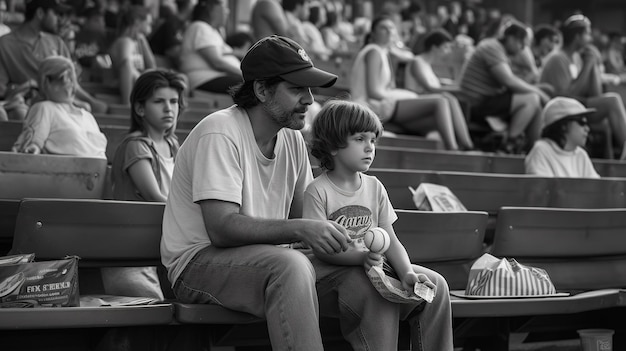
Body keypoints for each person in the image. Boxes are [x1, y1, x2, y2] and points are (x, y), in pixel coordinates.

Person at [160, 34, 425, 350]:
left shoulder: (292, 140)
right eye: (297, 88)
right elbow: (221, 228)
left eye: (310, 89)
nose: (310, 99)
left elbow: (304, 220)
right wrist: (302, 228)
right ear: (261, 90)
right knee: (292, 265)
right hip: (199, 264)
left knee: (368, 275)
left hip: (270, 259)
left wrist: (363, 249)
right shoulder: (220, 132)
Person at [304, 99, 453, 350]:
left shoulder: (374, 187)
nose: (369, 148)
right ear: (332, 146)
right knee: (372, 287)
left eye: (373, 140)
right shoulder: (317, 191)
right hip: (331, 272)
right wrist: (359, 259)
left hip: (373, 266)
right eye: (360, 139)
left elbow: (391, 240)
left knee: (436, 285)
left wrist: (406, 272)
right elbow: (321, 249)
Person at [104, 69, 187, 299]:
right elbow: (155, 197)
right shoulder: (136, 145)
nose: (169, 108)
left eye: (174, 101)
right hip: (134, 243)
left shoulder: (173, 143)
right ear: (140, 108)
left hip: (167, 236)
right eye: (159, 101)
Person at [350, 16, 471, 151]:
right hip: (370, 106)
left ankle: (466, 147)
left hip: (383, 104)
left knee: (442, 111)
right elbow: (373, 92)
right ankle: (454, 149)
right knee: (441, 102)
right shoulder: (373, 51)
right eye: (383, 28)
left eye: (391, 28)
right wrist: (404, 95)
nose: (389, 31)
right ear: (373, 33)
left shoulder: (382, 52)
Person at [0, 0, 108, 120]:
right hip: (27, 106)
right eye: (56, 14)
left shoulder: (56, 42)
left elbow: (71, 82)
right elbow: (2, 89)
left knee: (85, 108)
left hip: (61, 104)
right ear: (40, 13)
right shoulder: (4, 44)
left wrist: (91, 101)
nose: (59, 19)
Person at [540, 14, 626, 157]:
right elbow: (565, 98)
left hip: (578, 107)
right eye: (587, 34)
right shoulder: (557, 59)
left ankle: (611, 165)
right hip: (560, 111)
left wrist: (593, 66)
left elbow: (595, 94)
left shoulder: (577, 57)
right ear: (577, 36)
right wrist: (587, 66)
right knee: (613, 100)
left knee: (606, 118)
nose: (590, 38)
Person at [458, 21, 550, 152]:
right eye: (521, 44)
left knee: (536, 107)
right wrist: (539, 92)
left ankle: (535, 150)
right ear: (511, 39)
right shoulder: (492, 48)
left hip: (487, 100)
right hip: (476, 104)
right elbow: (509, 81)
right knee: (532, 99)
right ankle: (508, 144)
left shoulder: (499, 50)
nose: (522, 49)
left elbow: (515, 81)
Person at [12, 56, 107, 158]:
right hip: (65, 171)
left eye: (74, 80)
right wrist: (34, 146)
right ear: (47, 82)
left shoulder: (87, 116)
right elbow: (35, 140)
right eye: (66, 79)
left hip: (98, 171)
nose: (72, 85)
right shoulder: (44, 108)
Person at [404, 29, 474, 149]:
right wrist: (458, 90)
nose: (448, 52)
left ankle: (464, 144)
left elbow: (438, 86)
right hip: (416, 104)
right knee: (449, 98)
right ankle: (464, 145)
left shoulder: (427, 64)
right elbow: (429, 88)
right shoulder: (417, 62)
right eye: (445, 47)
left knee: (452, 99)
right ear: (434, 47)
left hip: (429, 105)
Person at [525, 97, 600, 178]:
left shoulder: (581, 155)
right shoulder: (541, 151)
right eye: (582, 122)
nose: (587, 129)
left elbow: (595, 188)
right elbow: (542, 188)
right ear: (563, 126)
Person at [178, 0, 242, 94]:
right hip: (204, 79)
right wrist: (245, 74)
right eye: (224, 8)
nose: (228, 12)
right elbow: (217, 62)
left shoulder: (212, 31)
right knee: (252, 85)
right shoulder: (200, 27)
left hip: (216, 77)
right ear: (212, 9)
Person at [109, 5, 157, 105]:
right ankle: (127, 104)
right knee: (127, 65)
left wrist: (144, 43)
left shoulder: (138, 42)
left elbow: (152, 66)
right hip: (123, 82)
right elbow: (125, 66)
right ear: (137, 22)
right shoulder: (124, 41)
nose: (151, 26)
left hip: (139, 81)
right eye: (148, 23)